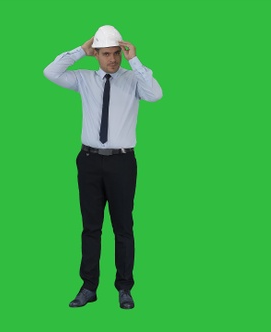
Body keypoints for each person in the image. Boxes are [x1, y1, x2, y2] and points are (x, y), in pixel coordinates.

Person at [43, 25, 162, 309]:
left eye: (116, 54)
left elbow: (156, 94)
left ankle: (124, 287)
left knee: (123, 227)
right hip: (89, 162)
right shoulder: (83, 80)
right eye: (105, 54)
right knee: (91, 227)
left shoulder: (134, 79)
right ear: (96, 54)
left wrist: (136, 60)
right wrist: (79, 52)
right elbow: (51, 72)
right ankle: (88, 286)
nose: (112, 60)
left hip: (122, 162)